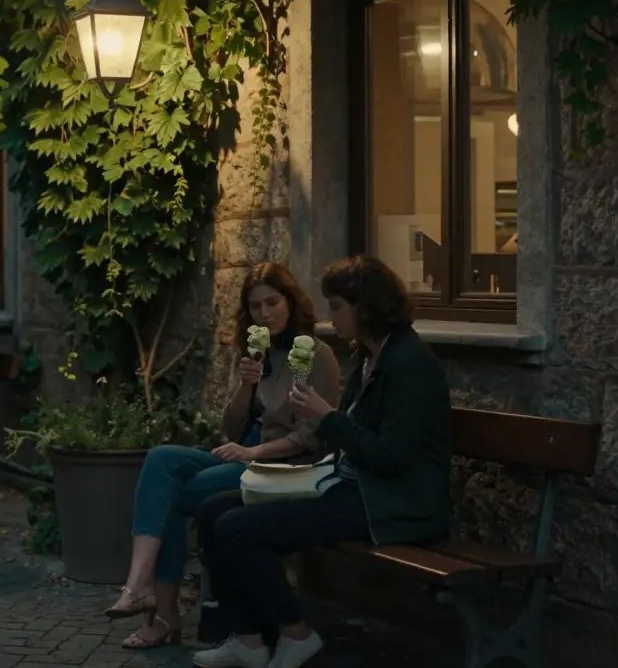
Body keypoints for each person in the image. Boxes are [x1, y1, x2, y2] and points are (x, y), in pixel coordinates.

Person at [191, 255, 452, 668]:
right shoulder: (367, 356)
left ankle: (297, 634)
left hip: (389, 502)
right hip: (345, 483)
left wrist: (326, 418)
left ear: (365, 307)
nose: (331, 318)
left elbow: (394, 457)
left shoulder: (410, 364)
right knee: (213, 510)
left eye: (337, 307)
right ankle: (250, 640)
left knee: (237, 530)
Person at [103, 263, 341, 650]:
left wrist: (252, 451)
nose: (265, 314)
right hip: (244, 450)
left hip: (281, 466)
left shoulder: (317, 355)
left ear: (291, 302)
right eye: (256, 307)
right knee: (161, 459)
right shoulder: (258, 353)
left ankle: (161, 611)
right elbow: (230, 428)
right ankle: (140, 582)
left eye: (272, 303)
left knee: (177, 496)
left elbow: (310, 437)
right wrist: (246, 385)